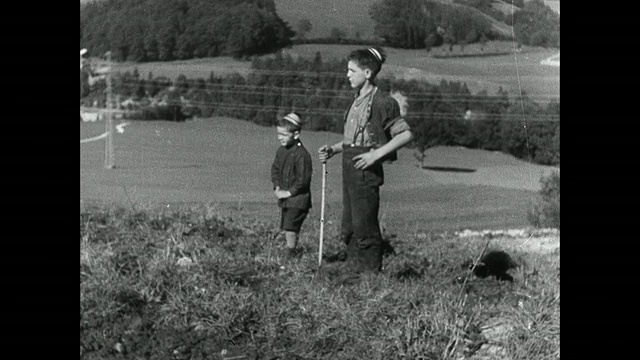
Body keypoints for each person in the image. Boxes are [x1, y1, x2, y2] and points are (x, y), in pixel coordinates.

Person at [318, 47, 413, 273]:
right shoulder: (356, 100)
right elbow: (355, 139)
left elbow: (405, 134)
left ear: (368, 73)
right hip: (350, 165)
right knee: (349, 222)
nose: (347, 75)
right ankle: (354, 265)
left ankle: (370, 273)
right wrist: (334, 149)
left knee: (364, 222)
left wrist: (375, 155)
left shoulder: (383, 103)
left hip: (366, 171)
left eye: (352, 71)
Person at [271, 112, 313, 258]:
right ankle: (291, 252)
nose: (280, 138)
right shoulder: (281, 151)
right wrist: (277, 186)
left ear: (296, 135)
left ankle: (290, 255)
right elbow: (275, 169)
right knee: (286, 226)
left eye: (284, 134)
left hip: (298, 199)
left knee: (290, 228)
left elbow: (303, 180)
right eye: (279, 134)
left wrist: (288, 193)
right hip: (286, 198)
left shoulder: (302, 154)